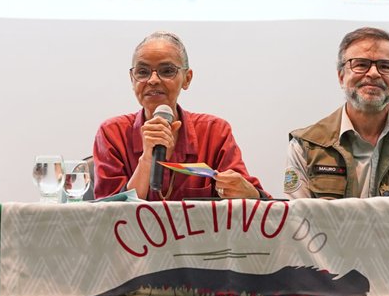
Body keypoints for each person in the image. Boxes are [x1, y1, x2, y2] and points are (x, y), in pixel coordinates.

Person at [93, 31, 265, 201]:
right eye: (142, 72)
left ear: (187, 79)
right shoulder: (112, 133)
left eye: (167, 71)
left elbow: (255, 204)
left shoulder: (214, 131)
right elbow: (104, 213)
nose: (153, 80)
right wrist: (146, 160)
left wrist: (250, 194)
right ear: (132, 79)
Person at [284, 27, 389, 199]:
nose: (373, 73)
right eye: (361, 64)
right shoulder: (305, 146)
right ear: (341, 76)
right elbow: (298, 215)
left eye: (385, 66)